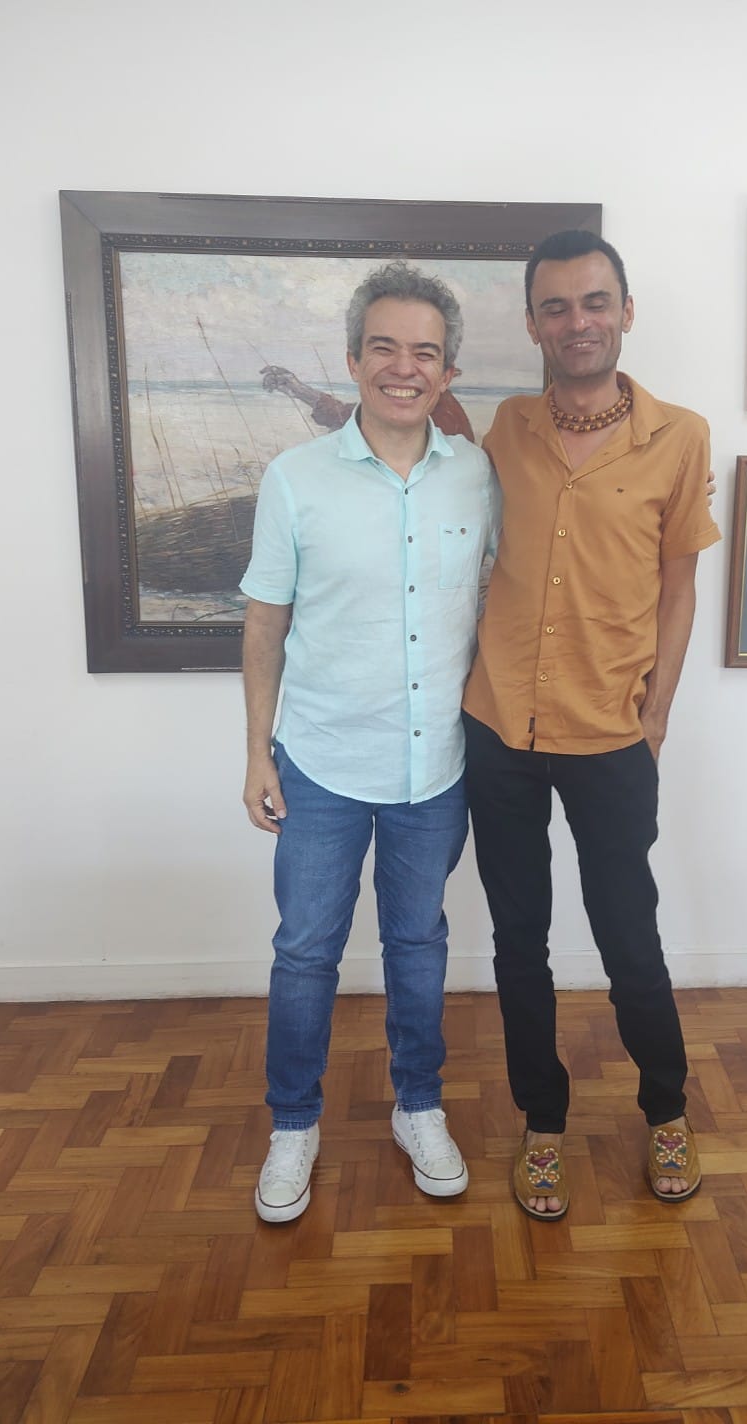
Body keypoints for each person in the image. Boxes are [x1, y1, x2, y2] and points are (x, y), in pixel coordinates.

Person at [461, 229, 721, 1218]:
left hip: (611, 735)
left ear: (625, 311)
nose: (578, 321)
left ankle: (666, 1111)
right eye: (557, 306)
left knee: (628, 938)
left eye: (594, 301)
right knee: (517, 941)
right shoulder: (506, 428)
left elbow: (678, 588)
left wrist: (655, 716)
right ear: (533, 324)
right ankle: (542, 1123)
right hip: (499, 728)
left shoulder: (680, 436)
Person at [240, 260, 499, 1223]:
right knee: (305, 951)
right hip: (320, 762)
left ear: (447, 372)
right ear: (352, 361)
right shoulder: (295, 480)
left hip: (435, 767)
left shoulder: (477, 475)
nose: (403, 367)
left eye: (423, 352)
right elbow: (265, 623)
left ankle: (417, 1106)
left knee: (418, 944)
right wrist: (256, 751)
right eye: (383, 347)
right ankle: (293, 1124)